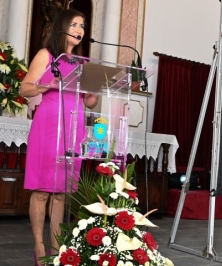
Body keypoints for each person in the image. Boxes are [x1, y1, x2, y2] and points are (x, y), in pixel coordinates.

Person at [20, 9, 98, 266]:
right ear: (62, 27)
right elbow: (25, 87)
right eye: (74, 24)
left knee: (62, 193)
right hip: (48, 125)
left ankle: (56, 247)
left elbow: (90, 103)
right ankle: (39, 246)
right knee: (42, 191)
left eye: (82, 26)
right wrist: (47, 85)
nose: (79, 30)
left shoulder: (83, 63)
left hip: (72, 128)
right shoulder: (47, 55)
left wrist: (95, 89)